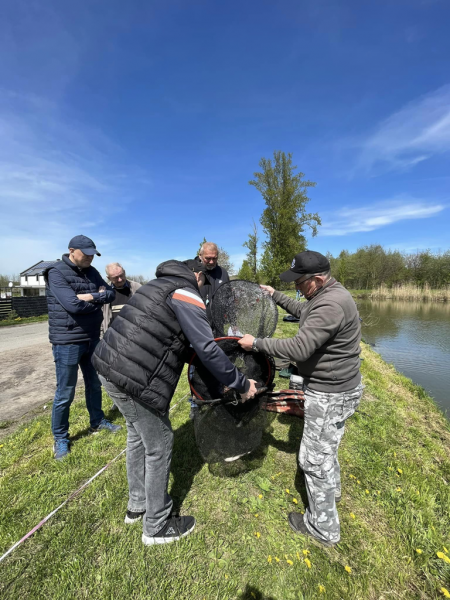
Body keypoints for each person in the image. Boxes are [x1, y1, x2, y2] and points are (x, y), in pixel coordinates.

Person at [92, 259, 257, 546]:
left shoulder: (157, 285)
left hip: (108, 367)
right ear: (196, 275)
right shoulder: (186, 291)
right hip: (133, 376)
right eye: (203, 281)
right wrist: (241, 383)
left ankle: (137, 505)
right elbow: (205, 348)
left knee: (136, 436)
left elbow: (185, 341)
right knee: (159, 443)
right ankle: (156, 525)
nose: (203, 286)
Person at [238, 251, 362, 547]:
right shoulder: (324, 295)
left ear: (317, 280)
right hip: (339, 388)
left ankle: (323, 528)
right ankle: (332, 493)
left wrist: (255, 343)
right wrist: (275, 294)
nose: (297, 288)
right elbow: (302, 309)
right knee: (327, 446)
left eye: (300, 283)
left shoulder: (331, 304)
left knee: (312, 459)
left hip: (331, 392)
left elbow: (300, 348)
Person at [45, 235, 121, 461]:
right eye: (85, 253)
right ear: (72, 250)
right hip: (67, 340)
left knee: (94, 383)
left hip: (91, 338)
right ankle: (61, 437)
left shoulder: (92, 271)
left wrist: (92, 296)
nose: (89, 257)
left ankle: (97, 421)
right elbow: (72, 305)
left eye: (92, 253)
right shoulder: (55, 272)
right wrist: (97, 300)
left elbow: (110, 293)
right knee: (65, 392)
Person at [101, 262, 142, 335]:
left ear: (124, 272)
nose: (120, 279)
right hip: (112, 336)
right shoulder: (104, 292)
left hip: (135, 335)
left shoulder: (137, 288)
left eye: (121, 275)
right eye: (115, 277)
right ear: (109, 278)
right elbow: (101, 319)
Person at [194, 242, 230, 322]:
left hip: (218, 324)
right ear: (200, 256)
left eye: (214, 258)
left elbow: (229, 297)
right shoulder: (192, 272)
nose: (211, 262)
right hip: (197, 323)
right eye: (208, 258)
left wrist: (233, 322)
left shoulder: (223, 272)